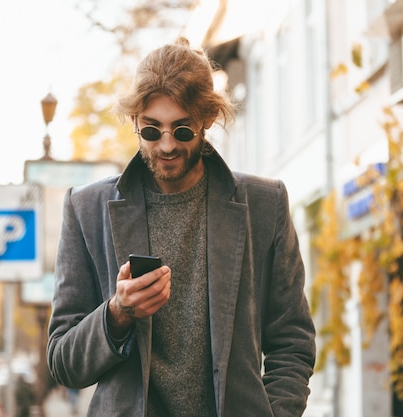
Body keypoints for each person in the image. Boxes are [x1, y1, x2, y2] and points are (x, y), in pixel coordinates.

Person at [47, 37, 316, 417]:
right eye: (152, 131)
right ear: (134, 121)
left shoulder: (264, 204)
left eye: (183, 130)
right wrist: (118, 313)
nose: (168, 145)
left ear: (206, 120)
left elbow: (292, 342)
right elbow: (62, 362)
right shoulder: (86, 209)